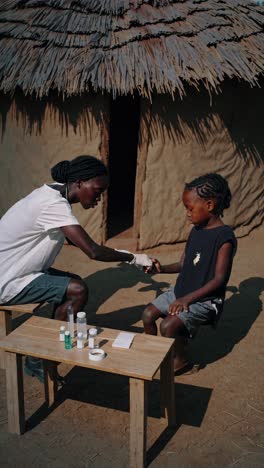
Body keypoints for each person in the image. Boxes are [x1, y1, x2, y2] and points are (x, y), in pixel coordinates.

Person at [0, 155, 152, 381]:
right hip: (7, 280)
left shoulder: (49, 194)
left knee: (72, 284)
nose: (99, 198)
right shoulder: (53, 204)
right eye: (97, 190)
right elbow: (93, 251)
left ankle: (43, 349)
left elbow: (77, 240)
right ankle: (39, 359)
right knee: (77, 290)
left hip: (16, 269)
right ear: (79, 182)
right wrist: (133, 257)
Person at [142, 173, 237, 375]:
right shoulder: (196, 230)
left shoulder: (224, 237)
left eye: (189, 208)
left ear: (209, 205)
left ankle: (182, 362)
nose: (187, 213)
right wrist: (161, 268)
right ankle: (151, 354)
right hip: (181, 292)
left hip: (204, 300)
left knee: (168, 326)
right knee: (148, 314)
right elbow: (184, 264)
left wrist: (187, 299)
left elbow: (220, 280)